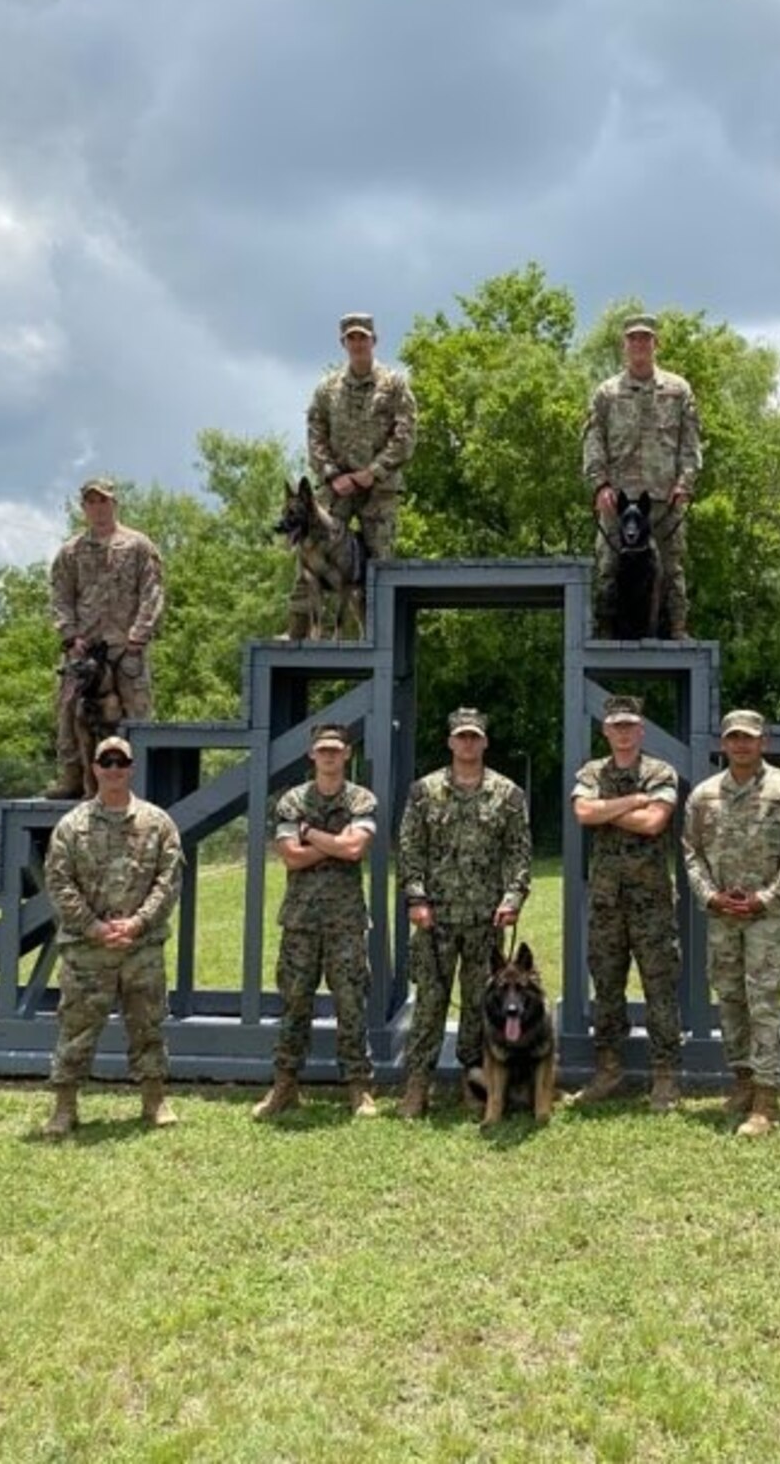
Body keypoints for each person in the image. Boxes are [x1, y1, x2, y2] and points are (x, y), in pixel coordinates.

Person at [41, 733, 186, 1137]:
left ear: (132, 768)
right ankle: (64, 1108)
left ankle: (154, 1101)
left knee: (149, 1025)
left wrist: (138, 922)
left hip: (141, 946)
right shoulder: (72, 825)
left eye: (121, 762)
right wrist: (95, 927)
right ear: (95, 769)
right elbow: (58, 882)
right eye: (106, 762)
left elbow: (168, 880)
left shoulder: (158, 823)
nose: (114, 769)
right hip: (88, 949)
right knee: (76, 1028)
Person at [682, 709, 780, 1137]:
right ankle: (741, 1079)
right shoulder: (704, 795)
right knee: (729, 999)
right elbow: (691, 852)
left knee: (763, 1003)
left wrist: (765, 899)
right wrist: (710, 897)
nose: (741, 745)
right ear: (723, 743)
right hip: (723, 915)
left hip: (767, 918)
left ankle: (767, 1098)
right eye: (734, 738)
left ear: (764, 742)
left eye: (750, 738)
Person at [394, 707, 533, 1118]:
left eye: (475, 736)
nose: (468, 743)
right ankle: (417, 1085)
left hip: (485, 920)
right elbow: (409, 848)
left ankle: (474, 1083)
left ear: (485, 742)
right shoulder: (424, 791)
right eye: (461, 737)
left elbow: (519, 852)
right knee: (430, 1004)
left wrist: (513, 898)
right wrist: (416, 899)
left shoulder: (508, 794)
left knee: (480, 1005)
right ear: (450, 742)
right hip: (435, 918)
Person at [253, 724, 381, 1119]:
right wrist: (333, 843)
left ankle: (359, 1088)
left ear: (347, 754)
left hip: (346, 921)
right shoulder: (291, 800)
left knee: (351, 1004)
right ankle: (284, 1086)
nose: (328, 756)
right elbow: (291, 856)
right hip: (301, 920)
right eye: (322, 750)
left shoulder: (361, 798)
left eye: (335, 750)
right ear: (312, 755)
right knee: (294, 1004)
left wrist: (310, 834)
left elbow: (356, 848)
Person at [570, 694, 685, 1110]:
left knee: (660, 988)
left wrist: (606, 809)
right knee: (607, 988)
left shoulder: (660, 771)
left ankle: (666, 1077)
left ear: (641, 730)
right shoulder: (591, 771)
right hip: (606, 902)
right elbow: (582, 813)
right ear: (605, 730)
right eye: (615, 725)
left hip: (651, 901)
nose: (622, 732)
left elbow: (655, 823)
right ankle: (609, 1070)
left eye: (629, 725)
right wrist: (633, 801)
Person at [289, 313, 416, 641]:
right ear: (343, 343)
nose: (358, 344)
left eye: (363, 338)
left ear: (375, 340)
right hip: (337, 487)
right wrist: (332, 475)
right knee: (310, 549)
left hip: (379, 489)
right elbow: (315, 432)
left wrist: (370, 474)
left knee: (380, 565)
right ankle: (299, 632)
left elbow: (405, 436)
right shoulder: (328, 388)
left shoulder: (394, 384)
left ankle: (378, 636)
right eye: (351, 338)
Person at [582, 313, 702, 638]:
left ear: (655, 344)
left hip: (663, 496)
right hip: (618, 499)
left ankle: (676, 628)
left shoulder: (678, 391)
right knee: (609, 564)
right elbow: (593, 440)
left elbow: (690, 442)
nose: (639, 345)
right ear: (624, 345)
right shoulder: (607, 393)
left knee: (671, 566)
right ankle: (605, 629)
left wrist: (685, 482)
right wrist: (599, 485)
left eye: (645, 339)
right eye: (633, 338)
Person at [46, 477, 166, 799]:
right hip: (84, 649)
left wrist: (138, 637)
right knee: (69, 709)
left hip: (126, 646)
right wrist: (70, 637)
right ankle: (73, 778)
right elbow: (60, 597)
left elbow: (152, 592)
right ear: (84, 507)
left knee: (135, 711)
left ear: (115, 503)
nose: (98, 508)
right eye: (91, 502)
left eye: (104, 501)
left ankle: (138, 782)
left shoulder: (139, 545)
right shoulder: (71, 551)